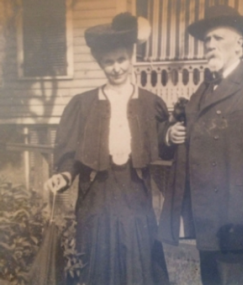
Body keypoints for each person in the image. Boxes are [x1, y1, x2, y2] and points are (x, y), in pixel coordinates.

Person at [158, 5, 243, 285]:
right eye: (207, 40)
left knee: (236, 277)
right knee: (212, 279)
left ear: (239, 44)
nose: (210, 46)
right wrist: (173, 134)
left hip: (237, 210)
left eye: (218, 38)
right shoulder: (203, 91)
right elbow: (189, 135)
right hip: (207, 211)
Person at [44, 13, 170, 285]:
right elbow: (71, 156)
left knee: (137, 262)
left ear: (131, 58)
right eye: (109, 62)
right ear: (101, 63)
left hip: (135, 194)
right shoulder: (84, 105)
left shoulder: (150, 103)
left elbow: (164, 146)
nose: (116, 68)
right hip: (97, 196)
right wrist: (64, 175)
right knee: (100, 265)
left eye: (121, 59)